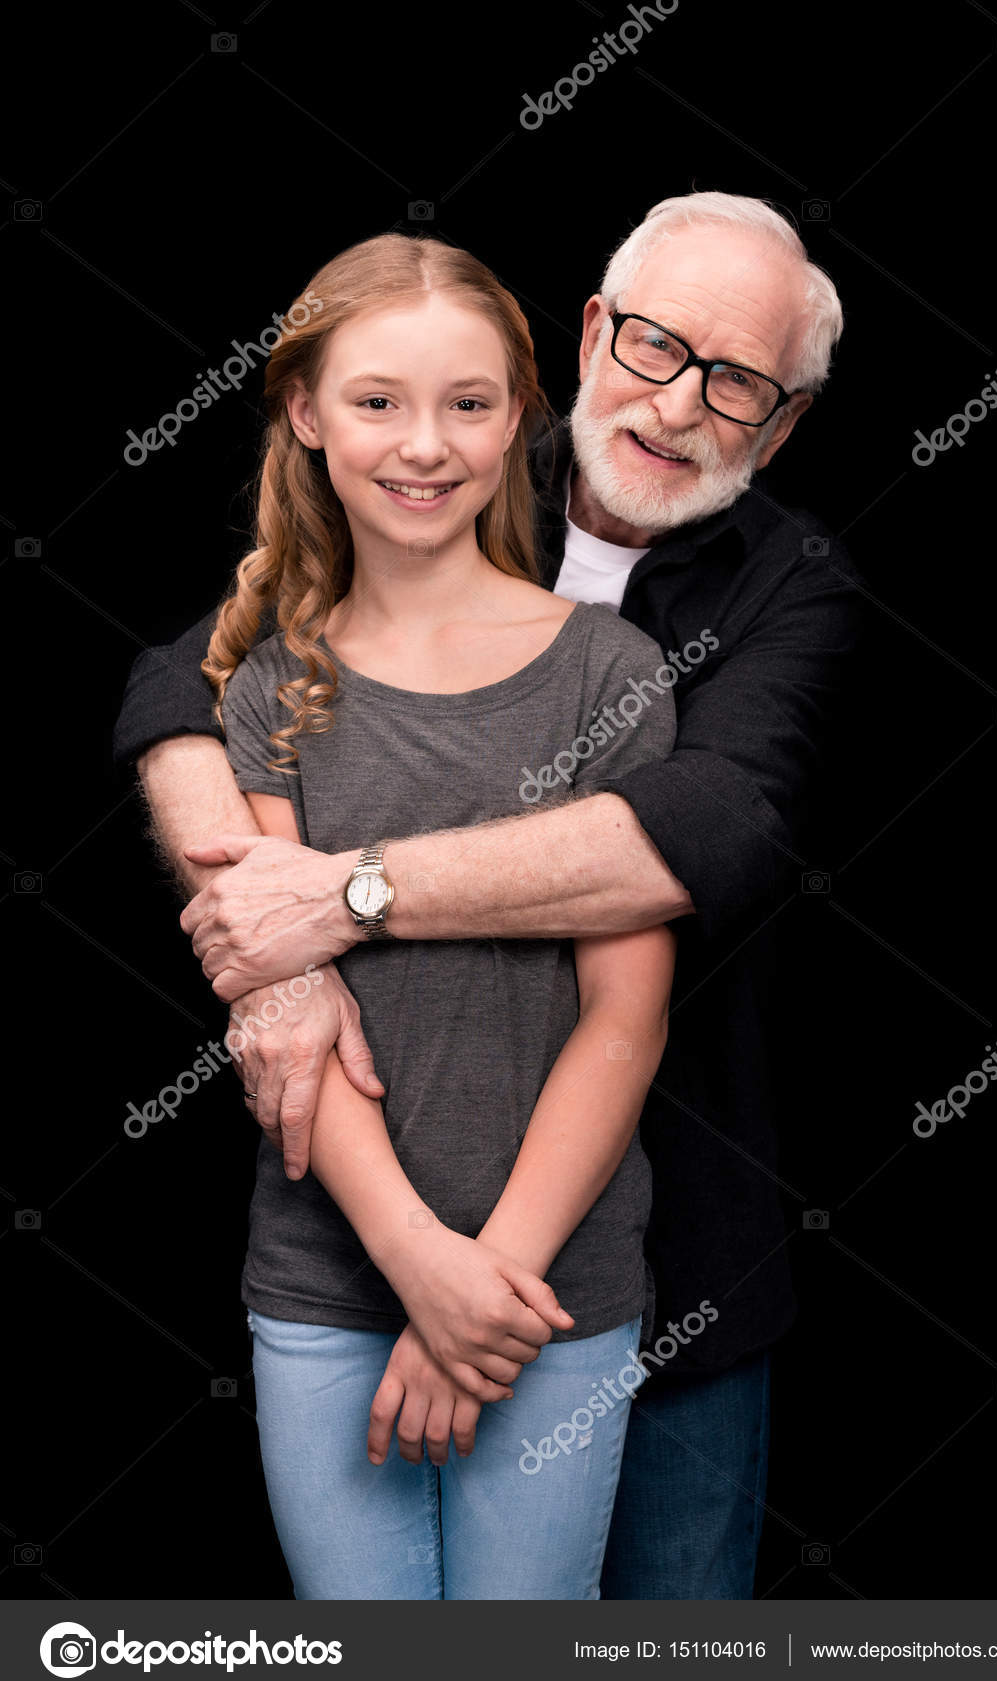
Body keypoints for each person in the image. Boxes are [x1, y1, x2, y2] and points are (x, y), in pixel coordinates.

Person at [114, 192, 869, 1600]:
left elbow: (695, 830)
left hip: (666, 1233)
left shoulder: (791, 589)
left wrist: (339, 896)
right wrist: (268, 959)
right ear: (591, 334)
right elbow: (195, 675)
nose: (681, 404)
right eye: (656, 346)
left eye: (739, 382)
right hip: (353, 1230)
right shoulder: (446, 456)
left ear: (780, 425)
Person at [187, 231, 678, 1599]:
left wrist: (482, 1294)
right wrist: (417, 1267)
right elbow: (288, 1010)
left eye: (469, 402)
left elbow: (624, 1023)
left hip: (549, 1295)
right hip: (329, 1290)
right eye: (377, 400)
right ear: (304, 413)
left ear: (522, 415)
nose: (427, 444)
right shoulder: (265, 688)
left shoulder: (611, 674)